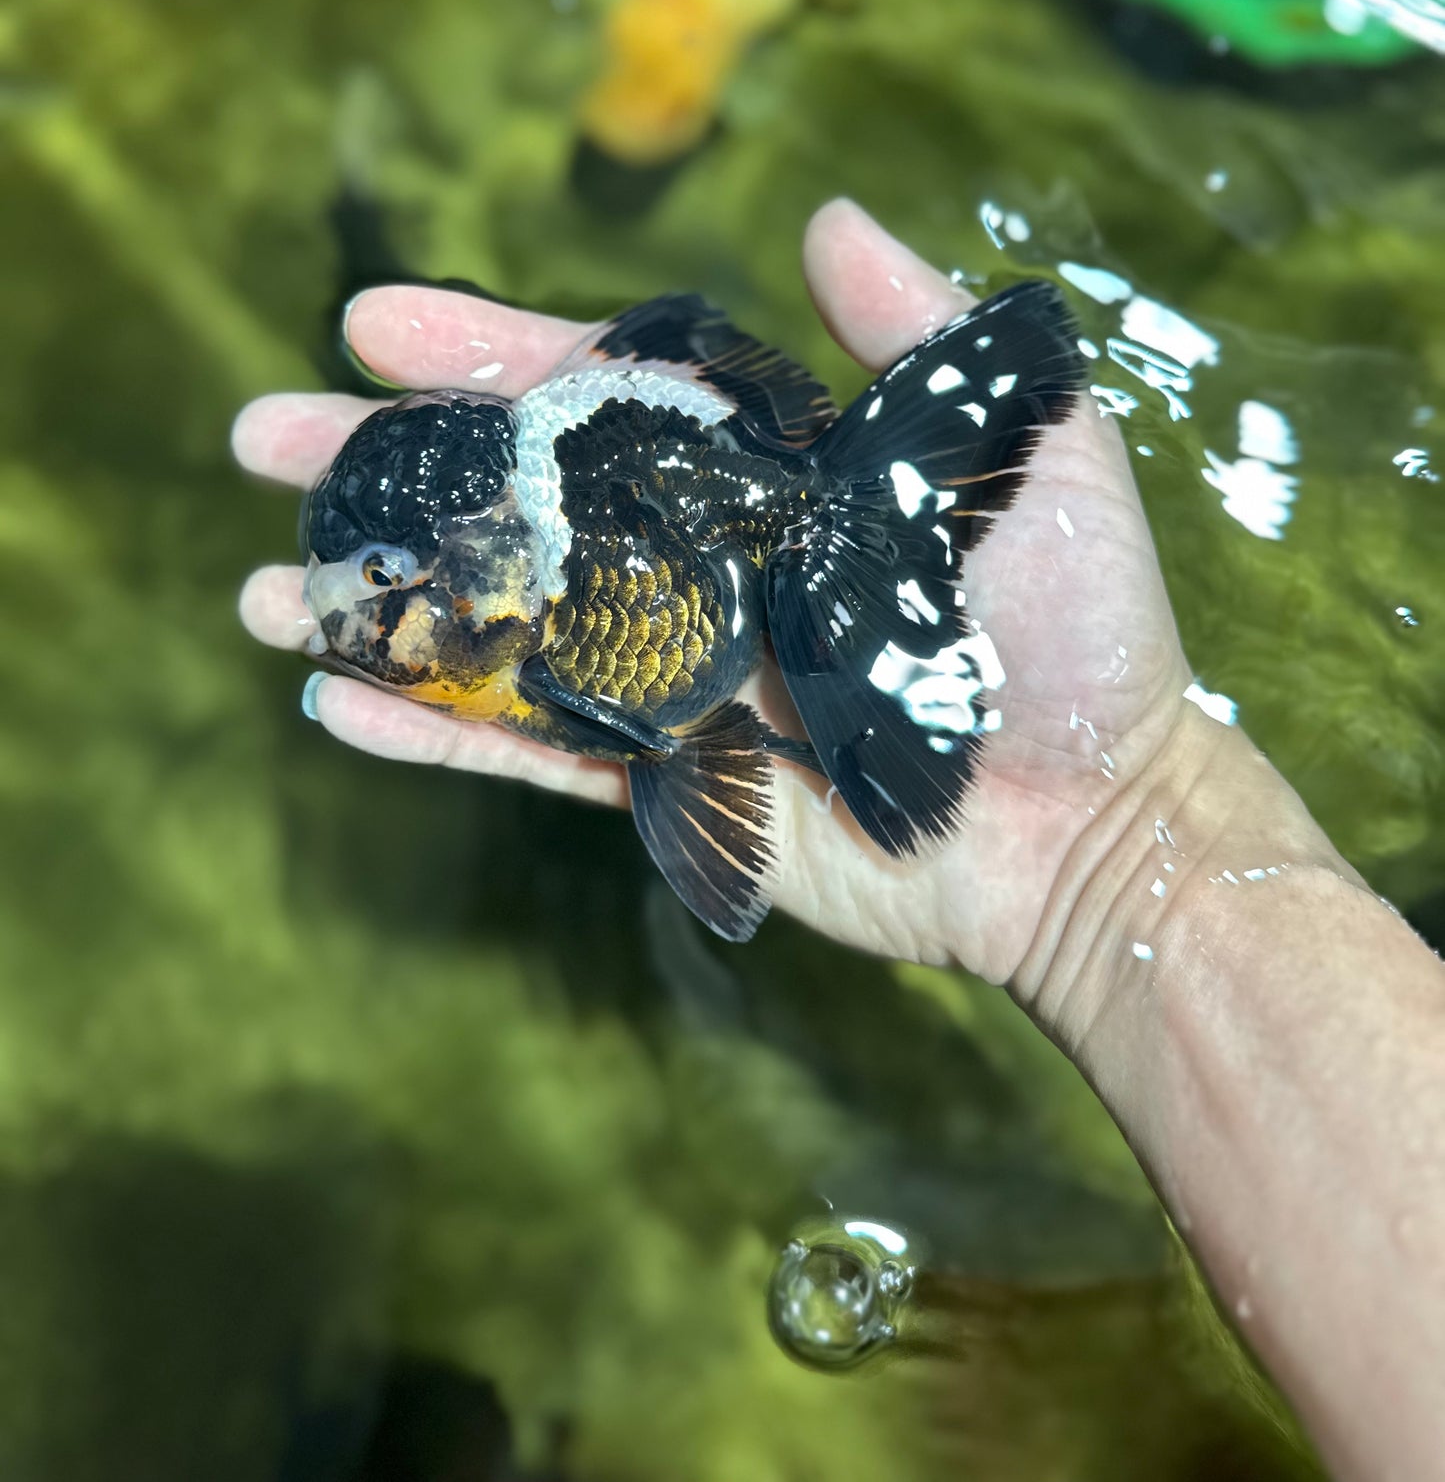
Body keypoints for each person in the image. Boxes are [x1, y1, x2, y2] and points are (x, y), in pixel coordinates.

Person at [234, 198, 1445, 1482]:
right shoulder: (508, 577)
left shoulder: (554, 602)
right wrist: (1130, 852)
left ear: (475, 574)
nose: (348, 613)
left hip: (709, 518)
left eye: (378, 587)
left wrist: (1121, 830)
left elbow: (670, 745)